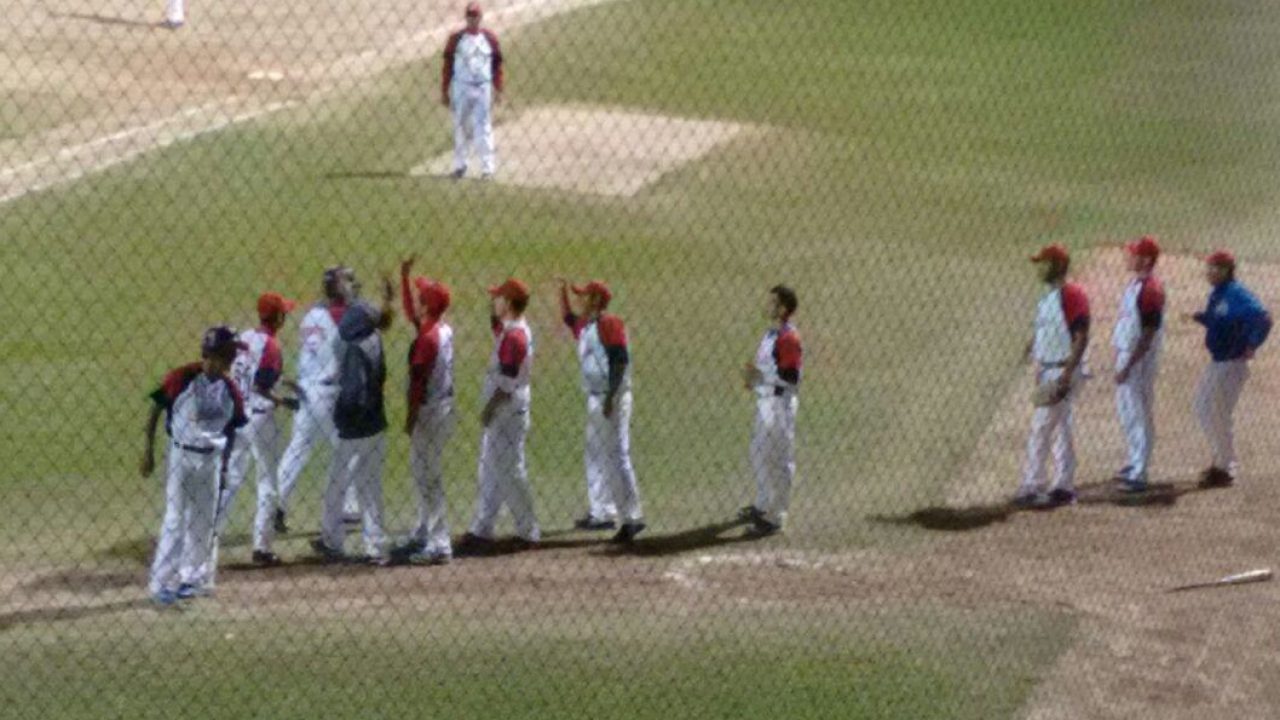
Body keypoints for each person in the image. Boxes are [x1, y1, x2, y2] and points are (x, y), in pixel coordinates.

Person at [141, 327, 247, 605]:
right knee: (175, 519)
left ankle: (192, 578)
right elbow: (156, 408)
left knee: (204, 522)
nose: (234, 358)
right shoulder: (183, 377)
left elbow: (233, 428)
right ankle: (161, 584)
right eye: (230, 353)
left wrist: (225, 466)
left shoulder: (230, 389)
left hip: (211, 460)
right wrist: (148, 450)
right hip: (181, 456)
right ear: (216, 353)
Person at [202, 293, 299, 579]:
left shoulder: (244, 338)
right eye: (283, 313)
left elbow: (246, 375)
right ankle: (262, 547)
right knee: (267, 481)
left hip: (238, 416)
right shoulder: (272, 346)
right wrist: (284, 401)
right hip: (261, 419)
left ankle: (207, 536)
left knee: (230, 479)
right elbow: (261, 386)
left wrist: (285, 382)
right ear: (277, 317)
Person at [311, 276, 396, 565]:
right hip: (376, 423)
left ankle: (332, 541)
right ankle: (376, 546)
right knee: (370, 487)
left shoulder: (353, 348)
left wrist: (342, 417)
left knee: (336, 484)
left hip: (353, 427)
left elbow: (353, 393)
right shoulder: (374, 340)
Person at [558, 279, 646, 543]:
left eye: (584, 296)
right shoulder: (588, 326)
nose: (580, 300)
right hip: (596, 398)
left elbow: (620, 360)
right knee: (595, 453)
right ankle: (602, 511)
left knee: (617, 454)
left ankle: (632, 517)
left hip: (612, 397)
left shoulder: (610, 323)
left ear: (597, 300)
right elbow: (569, 320)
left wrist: (611, 396)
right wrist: (562, 295)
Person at [459, 278, 540, 552]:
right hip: (507, 406)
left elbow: (506, 383)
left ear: (510, 303)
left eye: (500, 298)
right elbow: (495, 325)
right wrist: (493, 306)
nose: (495, 301)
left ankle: (528, 530)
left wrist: (488, 409)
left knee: (510, 470)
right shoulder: (511, 329)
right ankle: (482, 528)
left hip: (507, 408)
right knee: (490, 468)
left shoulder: (515, 337)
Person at [276, 267, 359, 533]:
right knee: (348, 448)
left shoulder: (310, 315)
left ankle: (276, 505)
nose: (354, 287)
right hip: (329, 394)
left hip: (305, 390)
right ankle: (348, 507)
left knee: (296, 451)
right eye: (348, 282)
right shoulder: (343, 316)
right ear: (339, 288)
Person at [1188, 250, 1272, 488]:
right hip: (1219, 362)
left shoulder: (1236, 293)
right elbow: (1219, 320)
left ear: (1227, 270)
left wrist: (1253, 343)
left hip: (1232, 363)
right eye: (1209, 267)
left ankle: (1225, 467)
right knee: (1204, 408)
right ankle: (1221, 462)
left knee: (1215, 411)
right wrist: (1200, 317)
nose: (1209, 272)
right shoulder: (1218, 294)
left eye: (1215, 267)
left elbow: (1263, 318)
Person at [1016, 244, 1090, 509]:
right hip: (1050, 368)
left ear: (1058, 266)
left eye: (1043, 263)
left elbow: (1081, 336)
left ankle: (1033, 486)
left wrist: (1066, 375)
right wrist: (1035, 359)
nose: (1039, 268)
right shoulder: (1047, 297)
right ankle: (1063, 486)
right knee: (1060, 427)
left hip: (1063, 368)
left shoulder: (1072, 294)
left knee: (1042, 427)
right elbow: (1044, 334)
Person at [396, 256, 457, 565]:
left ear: (427, 306)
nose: (417, 301)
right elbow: (412, 313)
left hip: (429, 412)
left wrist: (410, 418)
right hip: (442, 407)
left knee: (428, 477)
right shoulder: (440, 329)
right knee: (423, 474)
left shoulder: (427, 340)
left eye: (421, 297)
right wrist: (405, 278)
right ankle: (423, 531)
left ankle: (439, 544)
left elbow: (417, 385)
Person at [738, 285, 803, 537]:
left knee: (779, 459)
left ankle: (777, 516)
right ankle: (763, 503)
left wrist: (760, 376)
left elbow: (791, 377)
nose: (768, 305)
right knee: (758, 452)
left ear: (784, 308)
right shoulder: (771, 334)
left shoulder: (789, 338)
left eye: (773, 302)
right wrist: (754, 380)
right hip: (765, 400)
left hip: (781, 404)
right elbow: (765, 367)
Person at [1111, 237, 1166, 493]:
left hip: (1139, 359)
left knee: (1139, 412)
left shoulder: (1150, 290)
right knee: (1127, 410)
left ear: (1145, 259)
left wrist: (1128, 365)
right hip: (1128, 354)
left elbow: (1148, 333)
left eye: (1132, 254)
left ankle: (1140, 472)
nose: (1128, 257)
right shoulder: (1137, 284)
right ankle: (1134, 461)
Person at [442, 2, 504, 180]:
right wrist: (444, 90)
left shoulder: (490, 38)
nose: (472, 19)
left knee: (483, 126)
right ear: (466, 17)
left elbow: (497, 65)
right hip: (461, 86)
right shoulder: (456, 39)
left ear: (480, 17)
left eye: (475, 16)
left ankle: (487, 168)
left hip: (483, 87)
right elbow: (447, 66)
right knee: (461, 126)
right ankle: (460, 166)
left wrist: (498, 88)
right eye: (470, 15)